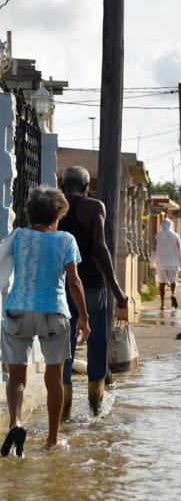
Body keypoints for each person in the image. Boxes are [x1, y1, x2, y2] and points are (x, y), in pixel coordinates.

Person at [1, 186, 91, 455]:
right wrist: (84, 318)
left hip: (18, 312)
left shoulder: (18, 236)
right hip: (55, 314)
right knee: (54, 377)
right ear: (57, 215)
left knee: (17, 377)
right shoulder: (66, 240)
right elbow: (74, 281)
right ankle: (52, 440)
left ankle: (16, 423)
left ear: (31, 213)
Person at [58, 166, 130, 418]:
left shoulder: (53, 207)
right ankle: (95, 409)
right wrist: (118, 290)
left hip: (64, 287)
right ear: (87, 187)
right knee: (96, 345)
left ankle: (63, 412)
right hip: (94, 287)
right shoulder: (93, 207)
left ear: (62, 185)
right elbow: (100, 247)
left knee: (63, 348)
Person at [153, 217, 181, 310]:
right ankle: (172, 294)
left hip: (160, 263)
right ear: (171, 225)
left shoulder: (157, 236)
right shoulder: (176, 236)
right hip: (172, 263)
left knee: (161, 282)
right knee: (173, 280)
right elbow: (179, 250)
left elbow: (153, 250)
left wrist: (152, 262)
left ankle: (162, 304)